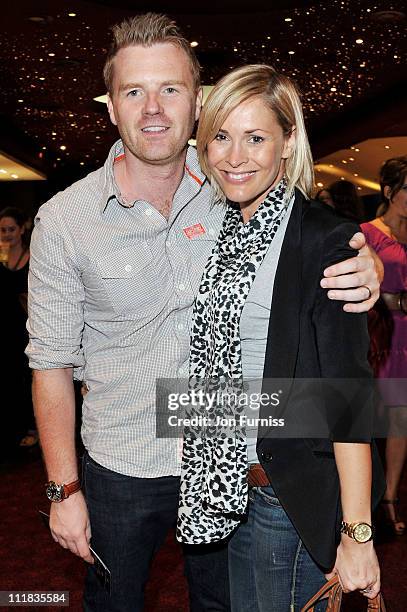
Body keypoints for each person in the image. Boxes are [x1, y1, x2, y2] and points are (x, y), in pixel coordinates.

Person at [26, 13, 382, 612]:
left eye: (170, 89)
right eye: (133, 91)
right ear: (110, 107)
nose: (153, 109)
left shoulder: (228, 189)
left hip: (231, 469)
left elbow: (304, 269)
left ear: (197, 102)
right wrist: (63, 488)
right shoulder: (65, 220)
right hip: (123, 464)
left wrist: (360, 257)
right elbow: (50, 363)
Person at [177, 64, 385, 612]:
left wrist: (358, 533)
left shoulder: (325, 239)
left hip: (287, 497)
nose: (234, 156)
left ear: (288, 143)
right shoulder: (224, 233)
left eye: (256, 137)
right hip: (227, 488)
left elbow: (347, 396)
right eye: (221, 136)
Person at [361, 156, 407, 536]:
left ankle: (390, 496)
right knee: (368, 415)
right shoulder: (367, 233)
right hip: (381, 334)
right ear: (390, 191)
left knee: (400, 417)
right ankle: (363, 497)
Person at [0, 207, 37, 456]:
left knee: (27, 378)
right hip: (4, 327)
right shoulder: (0, 255)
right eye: (2, 230)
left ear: (22, 228)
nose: (6, 234)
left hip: (25, 327)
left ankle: (31, 428)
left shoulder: (32, 255)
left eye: (10, 229)